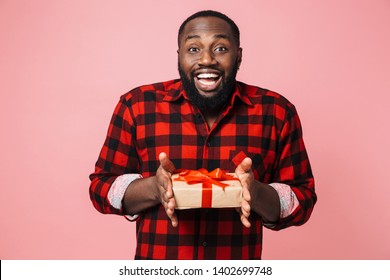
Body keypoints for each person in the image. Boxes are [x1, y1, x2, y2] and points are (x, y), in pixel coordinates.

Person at [89, 10, 317, 260]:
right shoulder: (137, 106)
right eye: (194, 49)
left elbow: (302, 200)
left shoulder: (276, 111)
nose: (207, 60)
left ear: (239, 57)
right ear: (179, 57)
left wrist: (256, 192)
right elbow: (101, 188)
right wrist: (154, 188)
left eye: (220, 48)